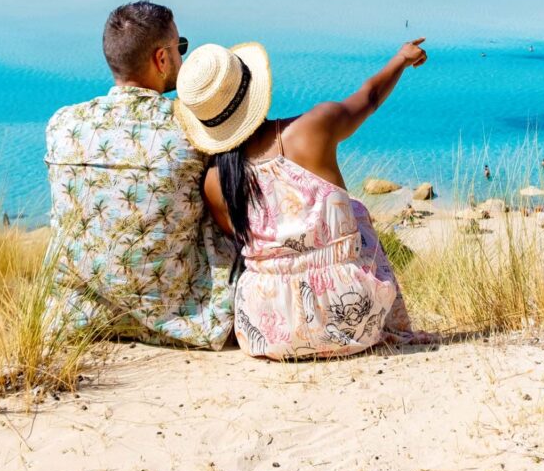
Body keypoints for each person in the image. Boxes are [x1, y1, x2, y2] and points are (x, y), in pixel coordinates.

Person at [175, 38, 428, 359]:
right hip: (351, 319)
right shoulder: (312, 128)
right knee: (355, 212)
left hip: (265, 330)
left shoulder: (214, 181)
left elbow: (238, 239)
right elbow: (370, 96)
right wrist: (402, 58)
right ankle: (394, 326)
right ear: (253, 89)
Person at [44, 0, 235, 349]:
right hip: (181, 317)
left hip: (78, 316)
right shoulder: (190, 127)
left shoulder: (63, 124)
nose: (182, 58)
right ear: (161, 59)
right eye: (180, 48)